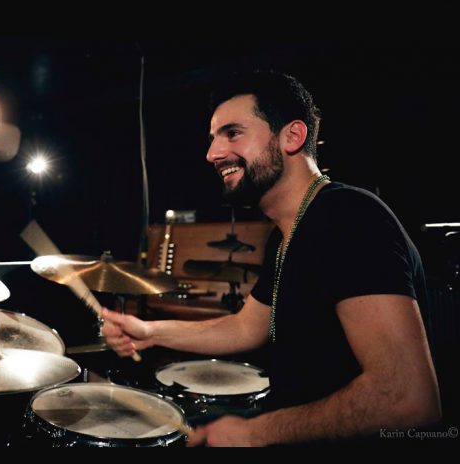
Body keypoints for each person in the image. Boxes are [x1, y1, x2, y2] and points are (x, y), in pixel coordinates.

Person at [101, 71, 441, 446]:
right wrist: (150, 333)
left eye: (232, 133)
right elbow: (247, 327)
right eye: (212, 138)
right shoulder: (285, 236)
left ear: (292, 137)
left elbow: (406, 400)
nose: (212, 154)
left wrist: (254, 433)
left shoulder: (347, 217)